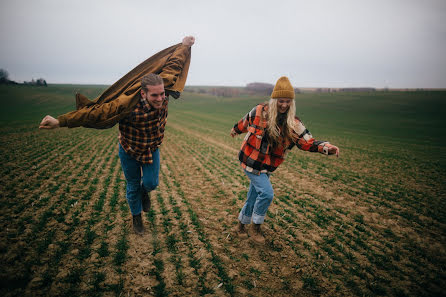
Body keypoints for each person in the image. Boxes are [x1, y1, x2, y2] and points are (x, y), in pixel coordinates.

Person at [39, 36, 195, 235]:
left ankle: (144, 191)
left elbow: (174, 64)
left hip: (150, 148)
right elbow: (94, 113)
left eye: (162, 94)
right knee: (131, 185)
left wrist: (184, 45)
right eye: (154, 95)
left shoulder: (164, 88)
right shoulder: (126, 104)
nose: (160, 98)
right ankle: (136, 219)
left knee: (151, 183)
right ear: (143, 94)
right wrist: (60, 121)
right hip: (129, 148)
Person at [230, 76, 339, 244]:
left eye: (288, 101)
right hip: (250, 160)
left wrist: (326, 148)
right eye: (281, 101)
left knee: (253, 196)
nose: (284, 105)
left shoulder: (293, 124)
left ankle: (241, 226)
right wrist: (236, 130)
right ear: (274, 100)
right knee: (266, 193)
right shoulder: (259, 111)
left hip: (267, 166)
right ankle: (256, 227)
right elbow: (245, 122)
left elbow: (307, 142)